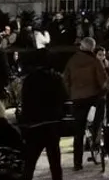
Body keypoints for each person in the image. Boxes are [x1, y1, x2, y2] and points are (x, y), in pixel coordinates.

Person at [17, 49, 68, 180]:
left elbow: (25, 101)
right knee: (55, 161)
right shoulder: (55, 78)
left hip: (34, 124)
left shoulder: (29, 80)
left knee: (30, 162)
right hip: (52, 123)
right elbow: (64, 97)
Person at [63, 36, 107, 171]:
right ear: (93, 48)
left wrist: (71, 93)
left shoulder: (72, 60)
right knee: (98, 121)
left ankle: (77, 163)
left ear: (81, 46)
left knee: (78, 131)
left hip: (77, 98)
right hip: (93, 97)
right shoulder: (95, 61)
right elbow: (103, 80)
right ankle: (96, 142)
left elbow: (65, 79)